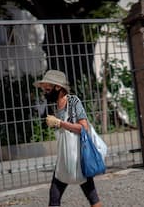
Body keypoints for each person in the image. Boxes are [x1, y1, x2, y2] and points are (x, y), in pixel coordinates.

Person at [34, 69, 102, 207]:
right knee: (56, 198)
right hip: (65, 159)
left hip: (78, 158)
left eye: (47, 88)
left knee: (89, 196)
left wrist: (60, 123)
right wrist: (56, 125)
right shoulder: (56, 106)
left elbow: (83, 128)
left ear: (58, 87)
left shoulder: (73, 102)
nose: (44, 92)